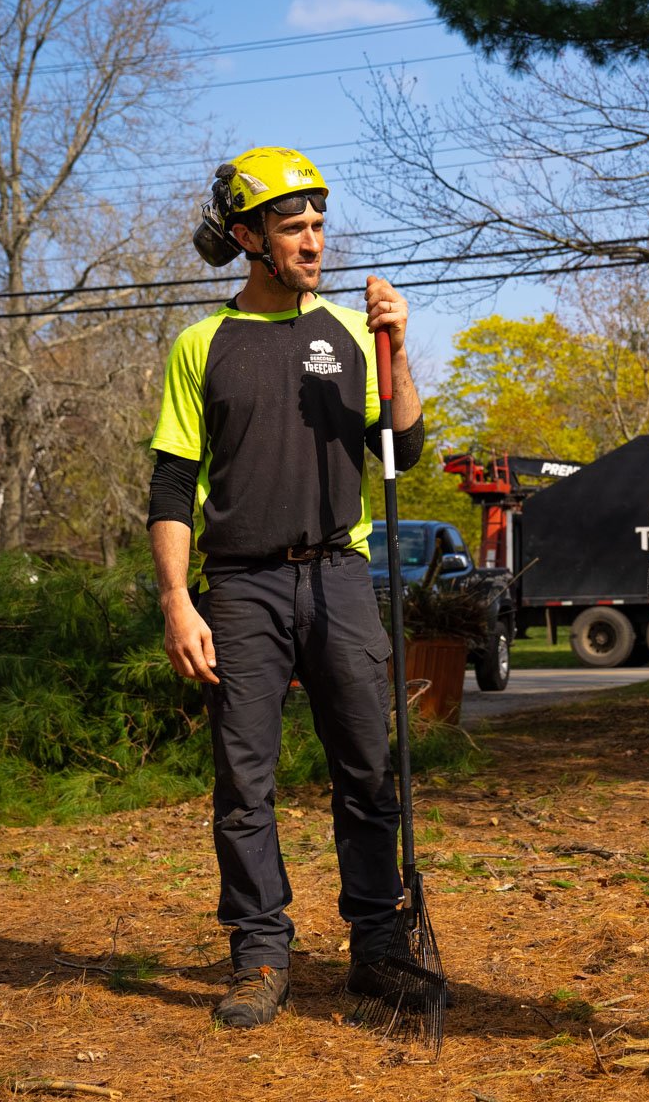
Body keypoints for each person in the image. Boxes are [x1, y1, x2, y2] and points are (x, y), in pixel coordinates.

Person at [147, 146, 426, 1028]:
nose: (313, 241)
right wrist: (176, 600)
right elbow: (170, 484)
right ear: (248, 237)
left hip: (340, 575)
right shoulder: (203, 346)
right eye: (294, 226)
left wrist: (399, 349)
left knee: (367, 771)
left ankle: (378, 947)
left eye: (318, 224)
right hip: (240, 586)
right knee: (244, 784)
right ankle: (261, 954)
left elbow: (405, 448)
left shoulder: (350, 332)